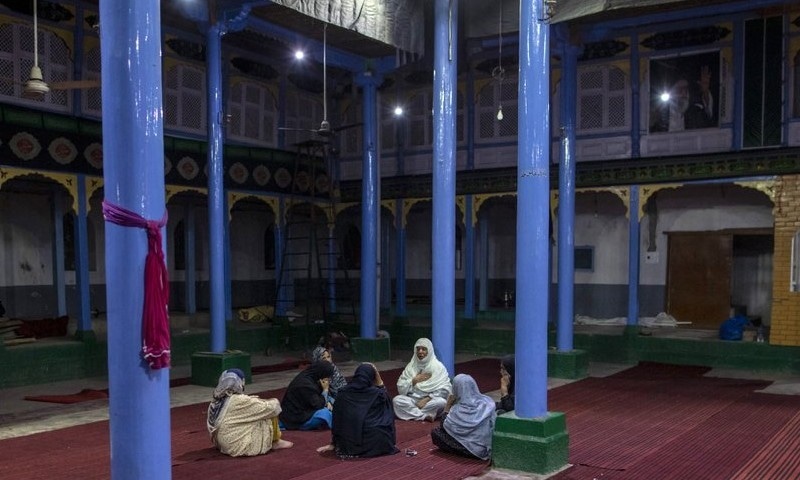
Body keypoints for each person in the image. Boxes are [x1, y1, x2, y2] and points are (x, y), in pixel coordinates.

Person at [316, 363, 399, 459]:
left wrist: (335, 443)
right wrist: (380, 383)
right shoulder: (378, 394)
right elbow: (388, 411)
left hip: (349, 444)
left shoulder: (343, 393)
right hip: (375, 443)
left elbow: (337, 421)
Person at [206, 368, 293, 457]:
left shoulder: (215, 401)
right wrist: (270, 401)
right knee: (268, 411)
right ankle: (276, 441)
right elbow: (273, 408)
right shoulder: (238, 400)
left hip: (221, 445)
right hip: (237, 447)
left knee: (256, 411)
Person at [431, 374, 496, 460]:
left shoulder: (457, 410)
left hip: (471, 450)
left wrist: (448, 406)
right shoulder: (487, 402)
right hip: (485, 447)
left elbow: (444, 426)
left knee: (436, 433)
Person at [392, 337, 452, 421]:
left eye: (424, 349)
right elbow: (400, 385)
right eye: (418, 349)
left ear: (429, 351)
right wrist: (414, 381)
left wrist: (427, 399)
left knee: (441, 403)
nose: (420, 352)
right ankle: (424, 415)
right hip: (413, 399)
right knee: (397, 400)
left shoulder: (438, 367)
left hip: (430, 401)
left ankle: (414, 413)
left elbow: (445, 389)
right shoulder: (411, 366)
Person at [650, 65, 715, 132]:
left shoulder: (694, 112)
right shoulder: (661, 112)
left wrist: (705, 92)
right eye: (679, 89)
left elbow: (708, 118)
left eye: (686, 89)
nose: (683, 93)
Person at [280, 360, 336, 430]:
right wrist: (325, 390)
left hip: (306, 410)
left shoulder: (312, 378)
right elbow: (318, 404)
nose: (328, 379)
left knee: (334, 401)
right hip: (295, 417)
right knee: (325, 414)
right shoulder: (305, 385)